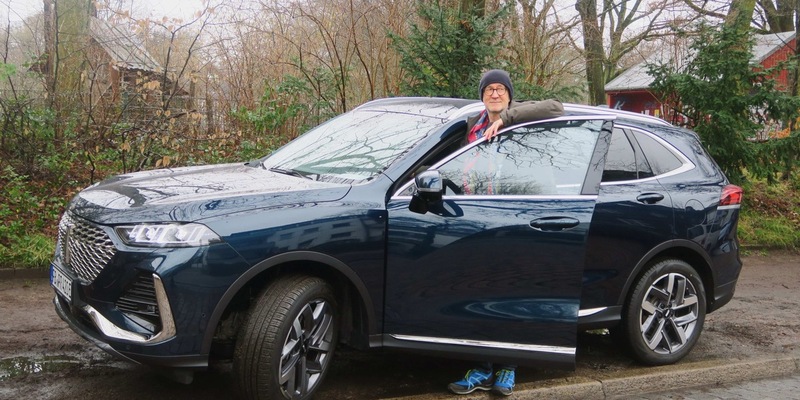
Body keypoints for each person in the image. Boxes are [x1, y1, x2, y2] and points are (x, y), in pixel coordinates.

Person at [447, 69, 564, 397]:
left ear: (510, 95)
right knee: (479, 297)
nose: (495, 94)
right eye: (489, 90)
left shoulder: (524, 121)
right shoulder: (472, 127)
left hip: (517, 221)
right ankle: (481, 368)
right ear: (482, 95)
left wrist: (509, 119)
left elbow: (556, 107)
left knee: (511, 297)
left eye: (500, 89)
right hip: (479, 223)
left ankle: (508, 368)